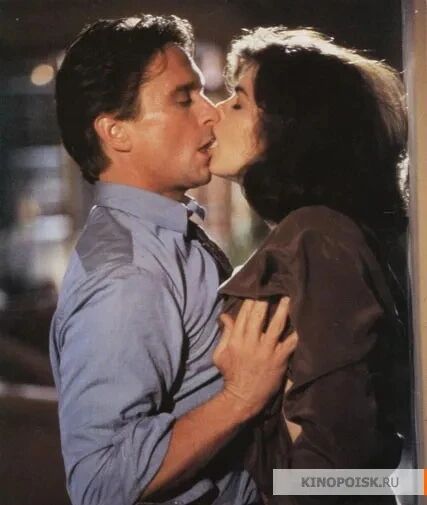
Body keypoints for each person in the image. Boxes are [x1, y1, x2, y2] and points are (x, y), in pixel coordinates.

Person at [49, 15, 298, 505]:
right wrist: (240, 398)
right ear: (116, 132)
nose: (210, 114)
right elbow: (99, 483)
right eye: (184, 99)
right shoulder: (127, 274)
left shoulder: (164, 238)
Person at [209, 27, 409, 504]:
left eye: (238, 102)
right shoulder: (315, 231)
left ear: (289, 126)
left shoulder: (318, 235)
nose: (215, 112)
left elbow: (342, 465)